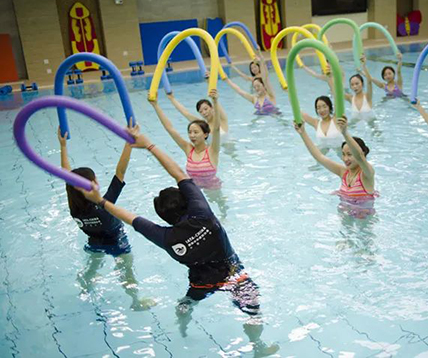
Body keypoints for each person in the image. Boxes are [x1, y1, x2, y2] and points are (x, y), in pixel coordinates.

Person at [76, 126, 277, 356]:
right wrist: (149, 145)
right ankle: (257, 346)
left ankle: (182, 325)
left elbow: (132, 219)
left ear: (164, 217)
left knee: (186, 303)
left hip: (201, 284)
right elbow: (178, 173)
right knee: (253, 311)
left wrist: (100, 202)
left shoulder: (167, 238)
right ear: (186, 202)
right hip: (234, 274)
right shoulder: (203, 214)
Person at [58, 129, 154, 311]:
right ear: (91, 185)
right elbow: (120, 172)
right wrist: (128, 144)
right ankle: (135, 300)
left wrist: (63, 146)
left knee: (92, 269)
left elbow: (66, 175)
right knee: (127, 273)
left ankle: (85, 288)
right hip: (118, 242)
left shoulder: (75, 208)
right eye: (95, 179)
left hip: (94, 242)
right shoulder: (104, 205)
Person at [294, 116, 377, 218]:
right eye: (343, 154)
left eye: (349, 154)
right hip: (345, 217)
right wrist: (302, 133)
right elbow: (319, 157)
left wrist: (344, 133)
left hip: (363, 219)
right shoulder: (343, 172)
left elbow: (359, 155)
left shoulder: (367, 174)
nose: (345, 159)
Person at [150, 89, 221, 189]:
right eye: (190, 132)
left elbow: (217, 129)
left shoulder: (212, 150)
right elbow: (170, 129)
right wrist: (155, 105)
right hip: (194, 190)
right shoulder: (188, 149)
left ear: (205, 134)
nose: (192, 135)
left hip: (213, 191)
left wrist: (215, 102)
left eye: (196, 132)